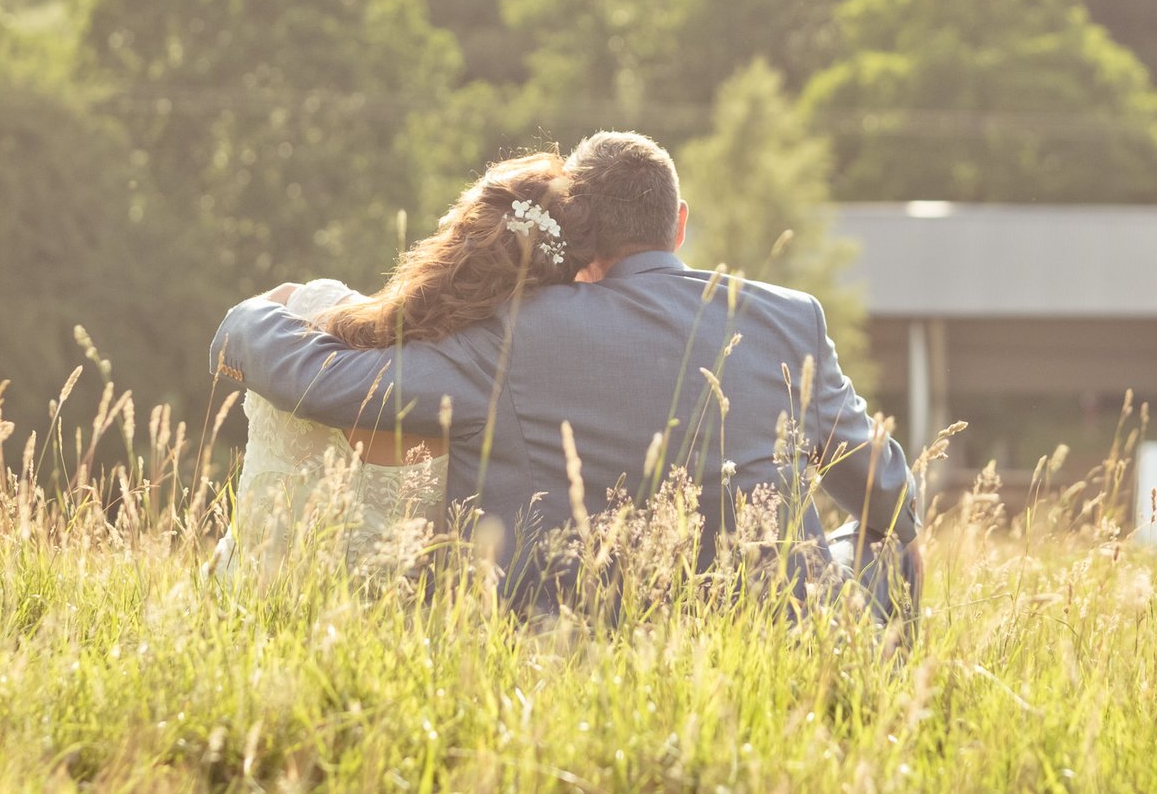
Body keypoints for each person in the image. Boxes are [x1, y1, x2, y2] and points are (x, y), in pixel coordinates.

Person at [210, 130, 920, 620]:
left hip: (560, 638)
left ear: (581, 229)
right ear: (678, 224)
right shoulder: (791, 319)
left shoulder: (512, 332)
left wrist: (245, 319)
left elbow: (328, 383)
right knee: (894, 551)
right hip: (770, 638)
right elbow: (889, 502)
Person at [214, 151, 569, 576]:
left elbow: (251, 317)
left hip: (227, 615)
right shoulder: (487, 391)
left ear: (455, 236)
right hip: (384, 636)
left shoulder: (309, 303)